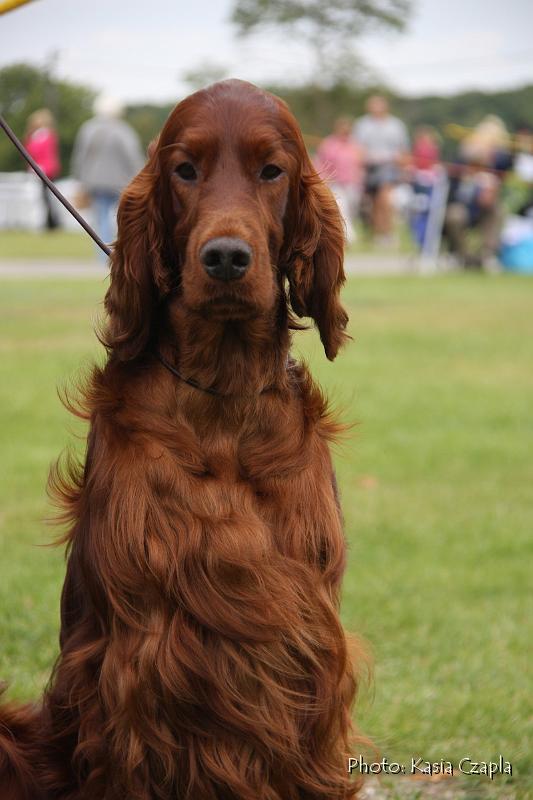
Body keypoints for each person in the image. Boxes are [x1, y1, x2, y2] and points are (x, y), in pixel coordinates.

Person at [72, 95, 144, 257]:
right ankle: (122, 253)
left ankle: (103, 255)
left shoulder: (88, 129)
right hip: (120, 182)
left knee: (102, 217)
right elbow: (132, 157)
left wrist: (79, 178)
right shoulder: (123, 130)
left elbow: (81, 156)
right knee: (124, 218)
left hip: (94, 181)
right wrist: (142, 177)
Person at [444, 115, 511, 268]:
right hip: (462, 205)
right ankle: (462, 256)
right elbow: (453, 188)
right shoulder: (462, 159)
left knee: (498, 211)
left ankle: (487, 255)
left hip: (484, 209)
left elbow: (504, 176)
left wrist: (490, 191)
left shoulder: (499, 164)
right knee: (454, 215)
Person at [353, 95, 409, 242]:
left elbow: (403, 150)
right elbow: (357, 148)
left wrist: (401, 163)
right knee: (373, 203)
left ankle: (386, 233)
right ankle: (377, 232)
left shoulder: (396, 125)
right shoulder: (362, 125)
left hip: (389, 167)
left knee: (384, 198)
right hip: (369, 167)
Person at [315, 117, 364, 243]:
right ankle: (348, 237)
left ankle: (346, 232)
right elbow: (321, 163)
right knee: (342, 207)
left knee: (351, 209)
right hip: (335, 183)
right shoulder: (329, 144)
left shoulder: (355, 146)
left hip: (353, 184)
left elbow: (360, 165)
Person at [24, 108, 61, 230]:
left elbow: (38, 152)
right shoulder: (41, 135)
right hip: (41, 170)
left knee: (48, 198)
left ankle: (51, 223)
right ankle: (49, 222)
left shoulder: (45, 136)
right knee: (45, 198)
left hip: (46, 170)